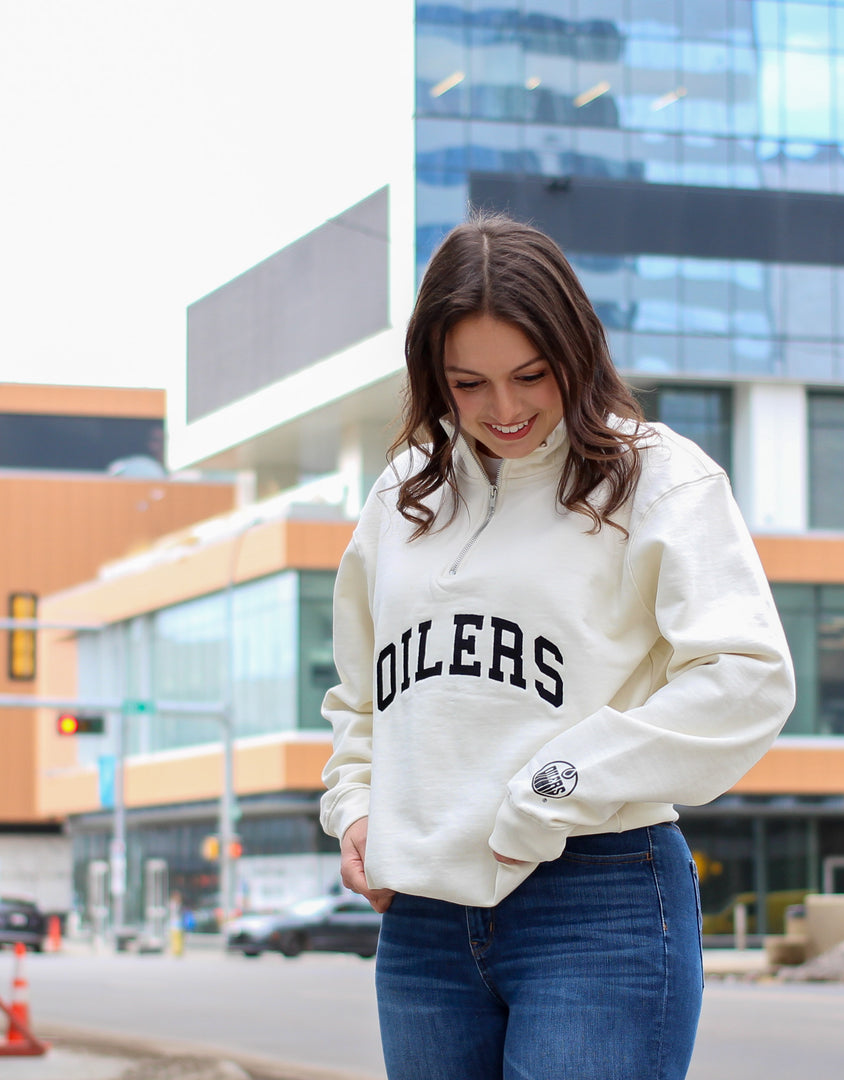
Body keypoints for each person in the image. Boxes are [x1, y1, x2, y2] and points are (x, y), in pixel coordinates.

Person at [320, 212, 795, 1080]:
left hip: (598, 896)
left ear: (575, 350)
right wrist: (355, 805)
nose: (505, 410)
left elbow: (745, 679)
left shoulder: (658, 476)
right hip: (423, 915)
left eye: (531, 375)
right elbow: (362, 696)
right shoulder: (401, 496)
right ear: (433, 376)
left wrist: (555, 785)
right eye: (468, 383)